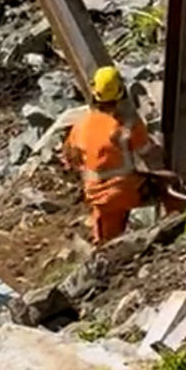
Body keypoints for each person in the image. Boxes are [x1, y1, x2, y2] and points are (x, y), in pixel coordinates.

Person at [62, 65, 163, 245]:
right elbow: (149, 155)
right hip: (125, 192)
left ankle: (102, 245)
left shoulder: (80, 126)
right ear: (121, 92)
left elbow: (70, 159)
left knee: (104, 236)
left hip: (95, 194)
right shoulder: (129, 125)